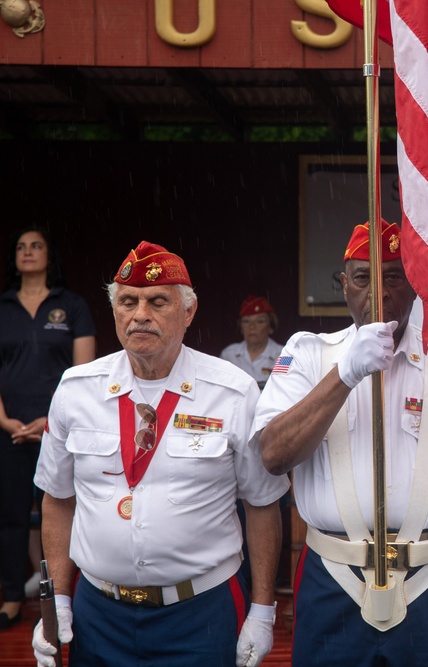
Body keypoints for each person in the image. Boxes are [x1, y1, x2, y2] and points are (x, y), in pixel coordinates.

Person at [252, 220, 428, 666]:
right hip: (334, 578)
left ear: (413, 286)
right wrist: (345, 375)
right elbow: (274, 456)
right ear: (343, 285)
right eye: (363, 277)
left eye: (394, 276)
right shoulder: (310, 354)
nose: (379, 291)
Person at [31, 241, 288, 667]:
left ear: (188, 312)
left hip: (200, 613)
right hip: (98, 613)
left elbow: (262, 505)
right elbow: (58, 499)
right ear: (114, 311)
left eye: (157, 302)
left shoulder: (232, 390)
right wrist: (58, 596)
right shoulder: (76, 389)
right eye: (128, 301)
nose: (140, 315)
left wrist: (263, 611)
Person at [0, 227, 96, 630]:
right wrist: (4, 419)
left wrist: (51, 422)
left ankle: (62, 594)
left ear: (49, 256)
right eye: (20, 246)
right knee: (10, 515)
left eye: (36, 245)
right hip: (8, 427)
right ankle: (9, 597)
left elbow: (82, 372)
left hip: (60, 427)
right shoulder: (2, 306)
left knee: (64, 509)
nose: (27, 252)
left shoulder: (72, 306)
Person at [221, 295, 284, 389]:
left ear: (271, 327)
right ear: (241, 327)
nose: (252, 327)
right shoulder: (228, 354)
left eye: (260, 321)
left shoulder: (284, 355)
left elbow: (284, 388)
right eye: (246, 321)